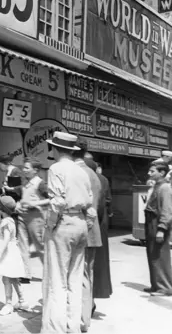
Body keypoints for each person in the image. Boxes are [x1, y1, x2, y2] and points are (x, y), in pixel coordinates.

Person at [41, 132, 96, 334]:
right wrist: (85, 224)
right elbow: (90, 204)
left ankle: (54, 329)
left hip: (63, 224)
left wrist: (50, 226)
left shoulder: (56, 168)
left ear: (55, 149)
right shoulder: (82, 171)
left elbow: (57, 202)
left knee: (57, 280)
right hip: (80, 222)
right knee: (74, 278)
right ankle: (74, 326)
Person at [74, 139, 102, 333]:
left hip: (81, 229)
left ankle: (81, 317)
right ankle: (86, 313)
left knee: (78, 276)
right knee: (86, 275)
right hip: (92, 231)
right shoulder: (93, 173)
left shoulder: (77, 172)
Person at [0, 196, 28, 315]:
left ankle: (8, 304)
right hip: (12, 252)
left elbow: (6, 239)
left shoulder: (6, 222)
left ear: (1, 208)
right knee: (14, 278)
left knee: (6, 279)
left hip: (7, 254)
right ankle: (22, 301)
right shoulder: (11, 220)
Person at [16, 157, 49, 284]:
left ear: (35, 170)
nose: (23, 170)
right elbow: (23, 198)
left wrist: (35, 203)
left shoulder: (41, 184)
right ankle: (25, 274)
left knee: (40, 246)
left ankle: (49, 273)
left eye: (26, 168)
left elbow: (52, 199)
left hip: (37, 218)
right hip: (23, 217)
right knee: (22, 246)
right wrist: (19, 204)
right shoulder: (24, 183)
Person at [143, 163, 172, 296]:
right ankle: (155, 284)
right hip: (150, 223)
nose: (149, 173)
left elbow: (167, 210)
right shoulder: (156, 186)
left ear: (161, 173)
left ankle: (165, 287)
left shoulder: (165, 188)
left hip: (157, 223)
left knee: (160, 255)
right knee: (152, 255)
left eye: (152, 171)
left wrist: (162, 228)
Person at [87, 160, 112, 306]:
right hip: (100, 223)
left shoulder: (89, 177)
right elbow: (107, 201)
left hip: (93, 222)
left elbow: (101, 204)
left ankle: (89, 300)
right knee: (99, 262)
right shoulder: (103, 179)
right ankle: (94, 295)